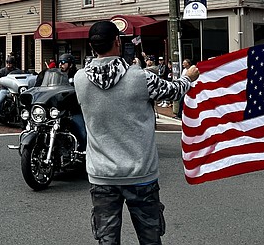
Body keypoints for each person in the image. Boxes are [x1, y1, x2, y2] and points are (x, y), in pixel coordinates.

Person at [74, 21, 196, 245]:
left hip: (102, 174)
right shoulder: (140, 78)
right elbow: (174, 90)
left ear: (92, 46)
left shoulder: (80, 79)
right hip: (140, 173)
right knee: (150, 239)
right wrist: (188, 76)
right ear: (117, 42)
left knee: (107, 240)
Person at [0, 56, 19, 126]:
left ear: (13, 63)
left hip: (14, 90)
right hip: (4, 89)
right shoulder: (3, 70)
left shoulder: (17, 71)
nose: (8, 65)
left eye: (10, 63)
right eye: (7, 63)